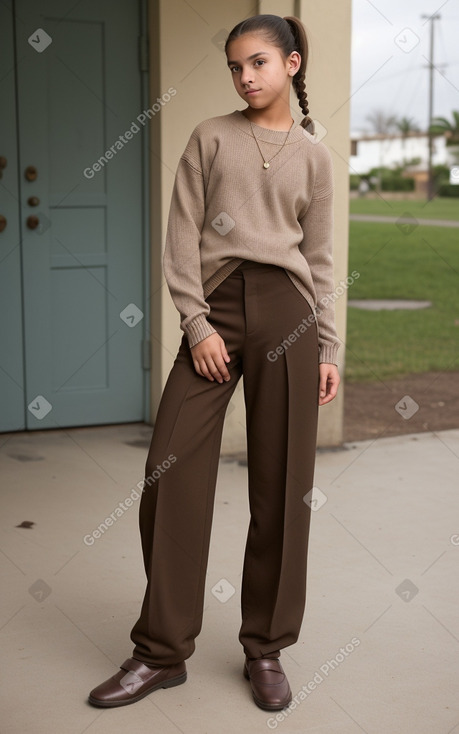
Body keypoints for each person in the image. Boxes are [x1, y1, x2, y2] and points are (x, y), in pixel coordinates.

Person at [88, 13, 340, 713]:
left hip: (288, 316)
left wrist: (327, 346)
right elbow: (180, 239)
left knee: (283, 486)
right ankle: (161, 651)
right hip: (216, 312)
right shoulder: (209, 137)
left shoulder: (314, 157)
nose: (245, 76)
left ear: (291, 64)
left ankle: (265, 647)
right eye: (235, 66)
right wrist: (196, 322)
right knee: (168, 469)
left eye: (257, 62)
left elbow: (319, 262)